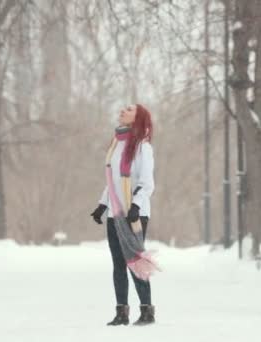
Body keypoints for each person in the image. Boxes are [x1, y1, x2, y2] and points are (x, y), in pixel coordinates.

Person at [90, 104, 155, 326]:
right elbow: (113, 181)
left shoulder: (142, 148)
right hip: (115, 213)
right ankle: (121, 312)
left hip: (134, 214)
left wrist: (135, 206)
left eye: (128, 109)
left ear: (138, 117)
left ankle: (147, 311)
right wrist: (102, 205)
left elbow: (147, 183)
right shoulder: (117, 145)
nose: (122, 110)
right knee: (118, 263)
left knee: (135, 261)